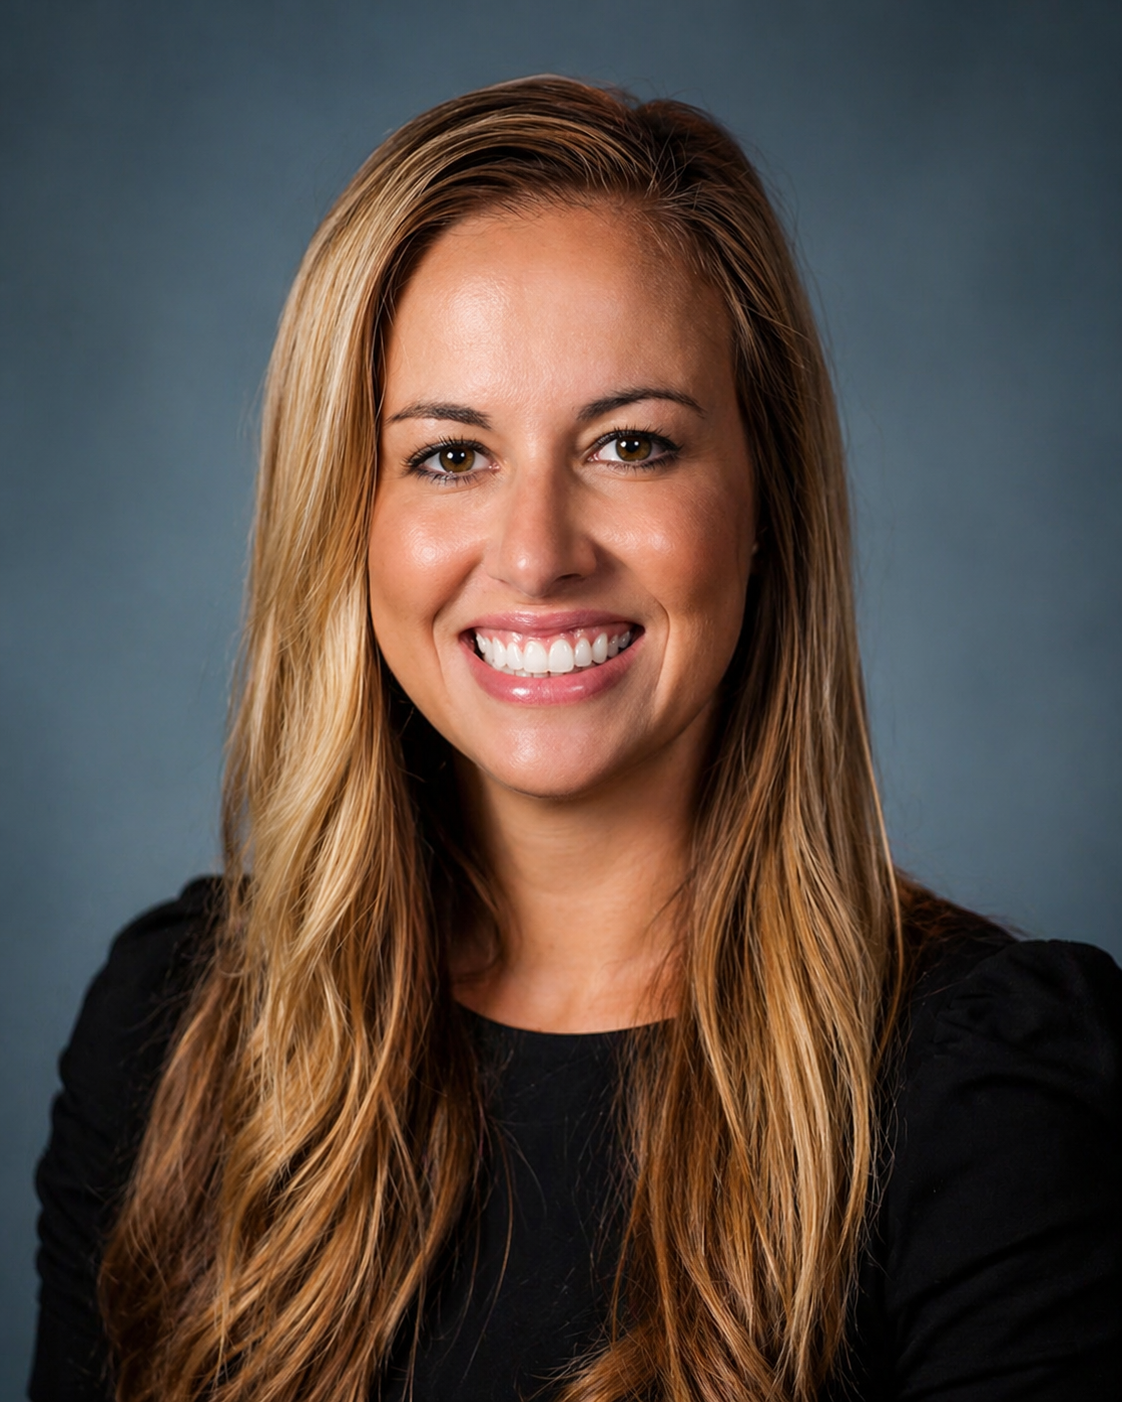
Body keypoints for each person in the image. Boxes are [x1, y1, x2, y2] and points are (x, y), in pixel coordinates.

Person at [31, 76, 1121, 1402]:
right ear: (347, 518)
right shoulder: (173, 1036)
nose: (538, 552)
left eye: (630, 445)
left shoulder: (989, 1091)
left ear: (765, 500)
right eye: (449, 456)